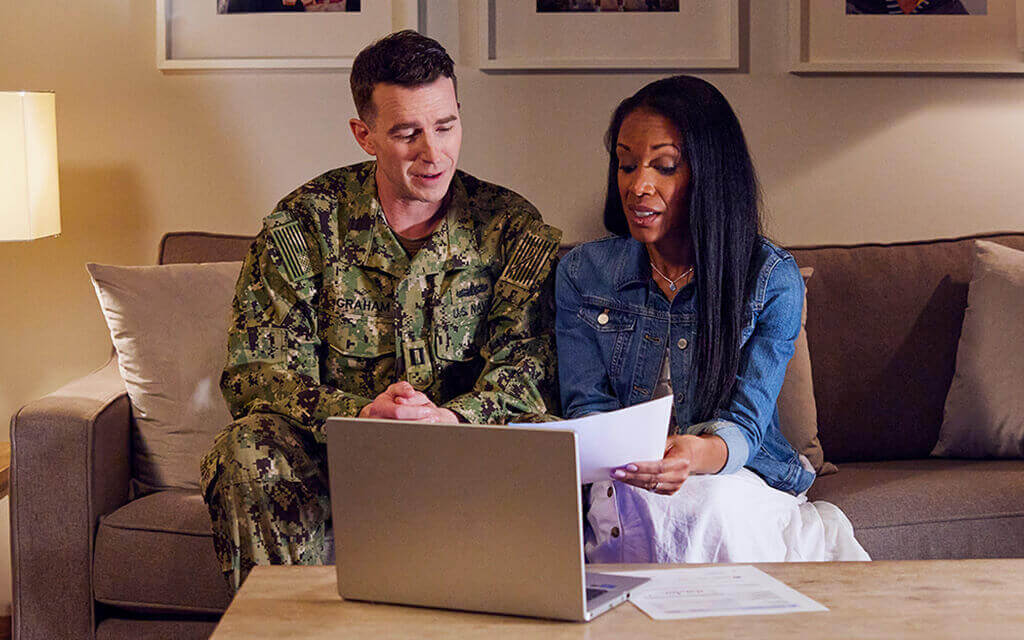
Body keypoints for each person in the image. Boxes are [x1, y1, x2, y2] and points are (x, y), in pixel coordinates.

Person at [201, 30, 562, 592]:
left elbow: (530, 370)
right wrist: (362, 415)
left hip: (471, 457)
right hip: (339, 462)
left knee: (551, 438)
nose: (433, 153)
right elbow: (256, 376)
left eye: (446, 126)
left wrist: (451, 418)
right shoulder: (304, 225)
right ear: (364, 135)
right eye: (406, 133)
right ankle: (287, 631)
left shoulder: (510, 226)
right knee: (245, 446)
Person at [555, 75, 868, 563]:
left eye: (665, 166)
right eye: (626, 163)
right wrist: (636, 459)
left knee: (706, 504)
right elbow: (586, 408)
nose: (638, 185)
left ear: (709, 172)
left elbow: (746, 422)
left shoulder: (770, 279)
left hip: (730, 473)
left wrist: (691, 455)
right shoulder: (582, 274)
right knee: (639, 502)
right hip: (624, 472)